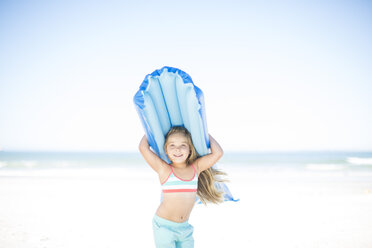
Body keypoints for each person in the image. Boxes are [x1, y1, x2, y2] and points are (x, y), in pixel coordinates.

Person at [139, 126, 226, 248]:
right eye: (172, 146)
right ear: (166, 150)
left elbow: (218, 153)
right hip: (164, 227)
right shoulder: (164, 169)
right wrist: (151, 127)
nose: (178, 150)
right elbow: (143, 148)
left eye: (183, 145)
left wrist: (203, 132)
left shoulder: (196, 168)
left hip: (185, 228)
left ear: (190, 149)